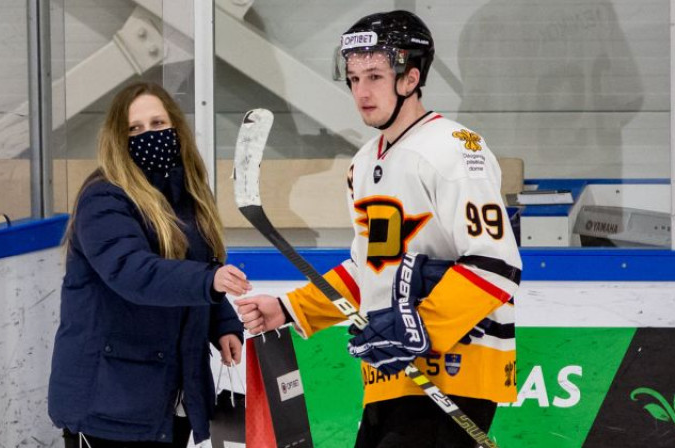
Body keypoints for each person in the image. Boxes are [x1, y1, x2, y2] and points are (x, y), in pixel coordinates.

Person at [235, 10, 522, 448]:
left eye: (374, 76)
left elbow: (495, 265)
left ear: (409, 78)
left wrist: (420, 327)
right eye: (353, 79)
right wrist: (292, 309)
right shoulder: (365, 163)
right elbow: (371, 267)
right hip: (391, 374)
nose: (361, 92)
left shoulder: (455, 150)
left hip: (454, 371)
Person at [48, 82, 250, 448]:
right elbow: (133, 272)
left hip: (167, 396)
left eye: (158, 124)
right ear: (117, 138)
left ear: (176, 127)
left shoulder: (187, 196)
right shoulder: (104, 197)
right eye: (135, 129)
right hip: (108, 400)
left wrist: (222, 324)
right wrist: (210, 281)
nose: (149, 135)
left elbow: (197, 269)